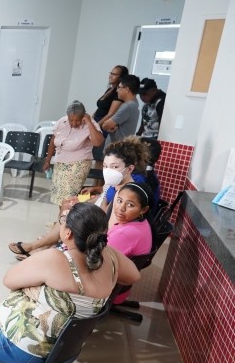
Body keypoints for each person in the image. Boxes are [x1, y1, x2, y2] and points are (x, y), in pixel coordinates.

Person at [0, 203, 140, 363]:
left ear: (68, 233)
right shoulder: (112, 258)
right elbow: (133, 275)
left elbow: (9, 280)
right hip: (61, 352)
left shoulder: (56, 259)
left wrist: (38, 289)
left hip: (28, 353)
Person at [9, 137, 154, 259]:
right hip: (98, 225)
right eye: (105, 166)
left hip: (97, 234)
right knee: (69, 209)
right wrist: (80, 201)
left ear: (129, 169)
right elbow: (102, 200)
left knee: (70, 216)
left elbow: (107, 223)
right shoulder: (114, 184)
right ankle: (44, 247)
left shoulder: (126, 193)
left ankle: (39, 248)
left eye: (114, 167)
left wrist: (81, 210)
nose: (108, 171)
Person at [41, 101, 104, 208]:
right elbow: (53, 141)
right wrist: (48, 160)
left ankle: (67, 222)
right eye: (71, 120)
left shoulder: (91, 124)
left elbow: (98, 142)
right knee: (60, 196)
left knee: (70, 197)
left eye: (77, 120)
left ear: (84, 116)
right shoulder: (62, 121)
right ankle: (61, 220)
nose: (74, 123)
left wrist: (89, 123)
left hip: (78, 165)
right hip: (60, 163)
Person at [103, 74, 141, 144]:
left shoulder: (128, 106)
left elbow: (106, 125)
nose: (117, 90)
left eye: (119, 87)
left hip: (116, 150)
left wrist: (109, 126)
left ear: (127, 89)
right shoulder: (134, 104)